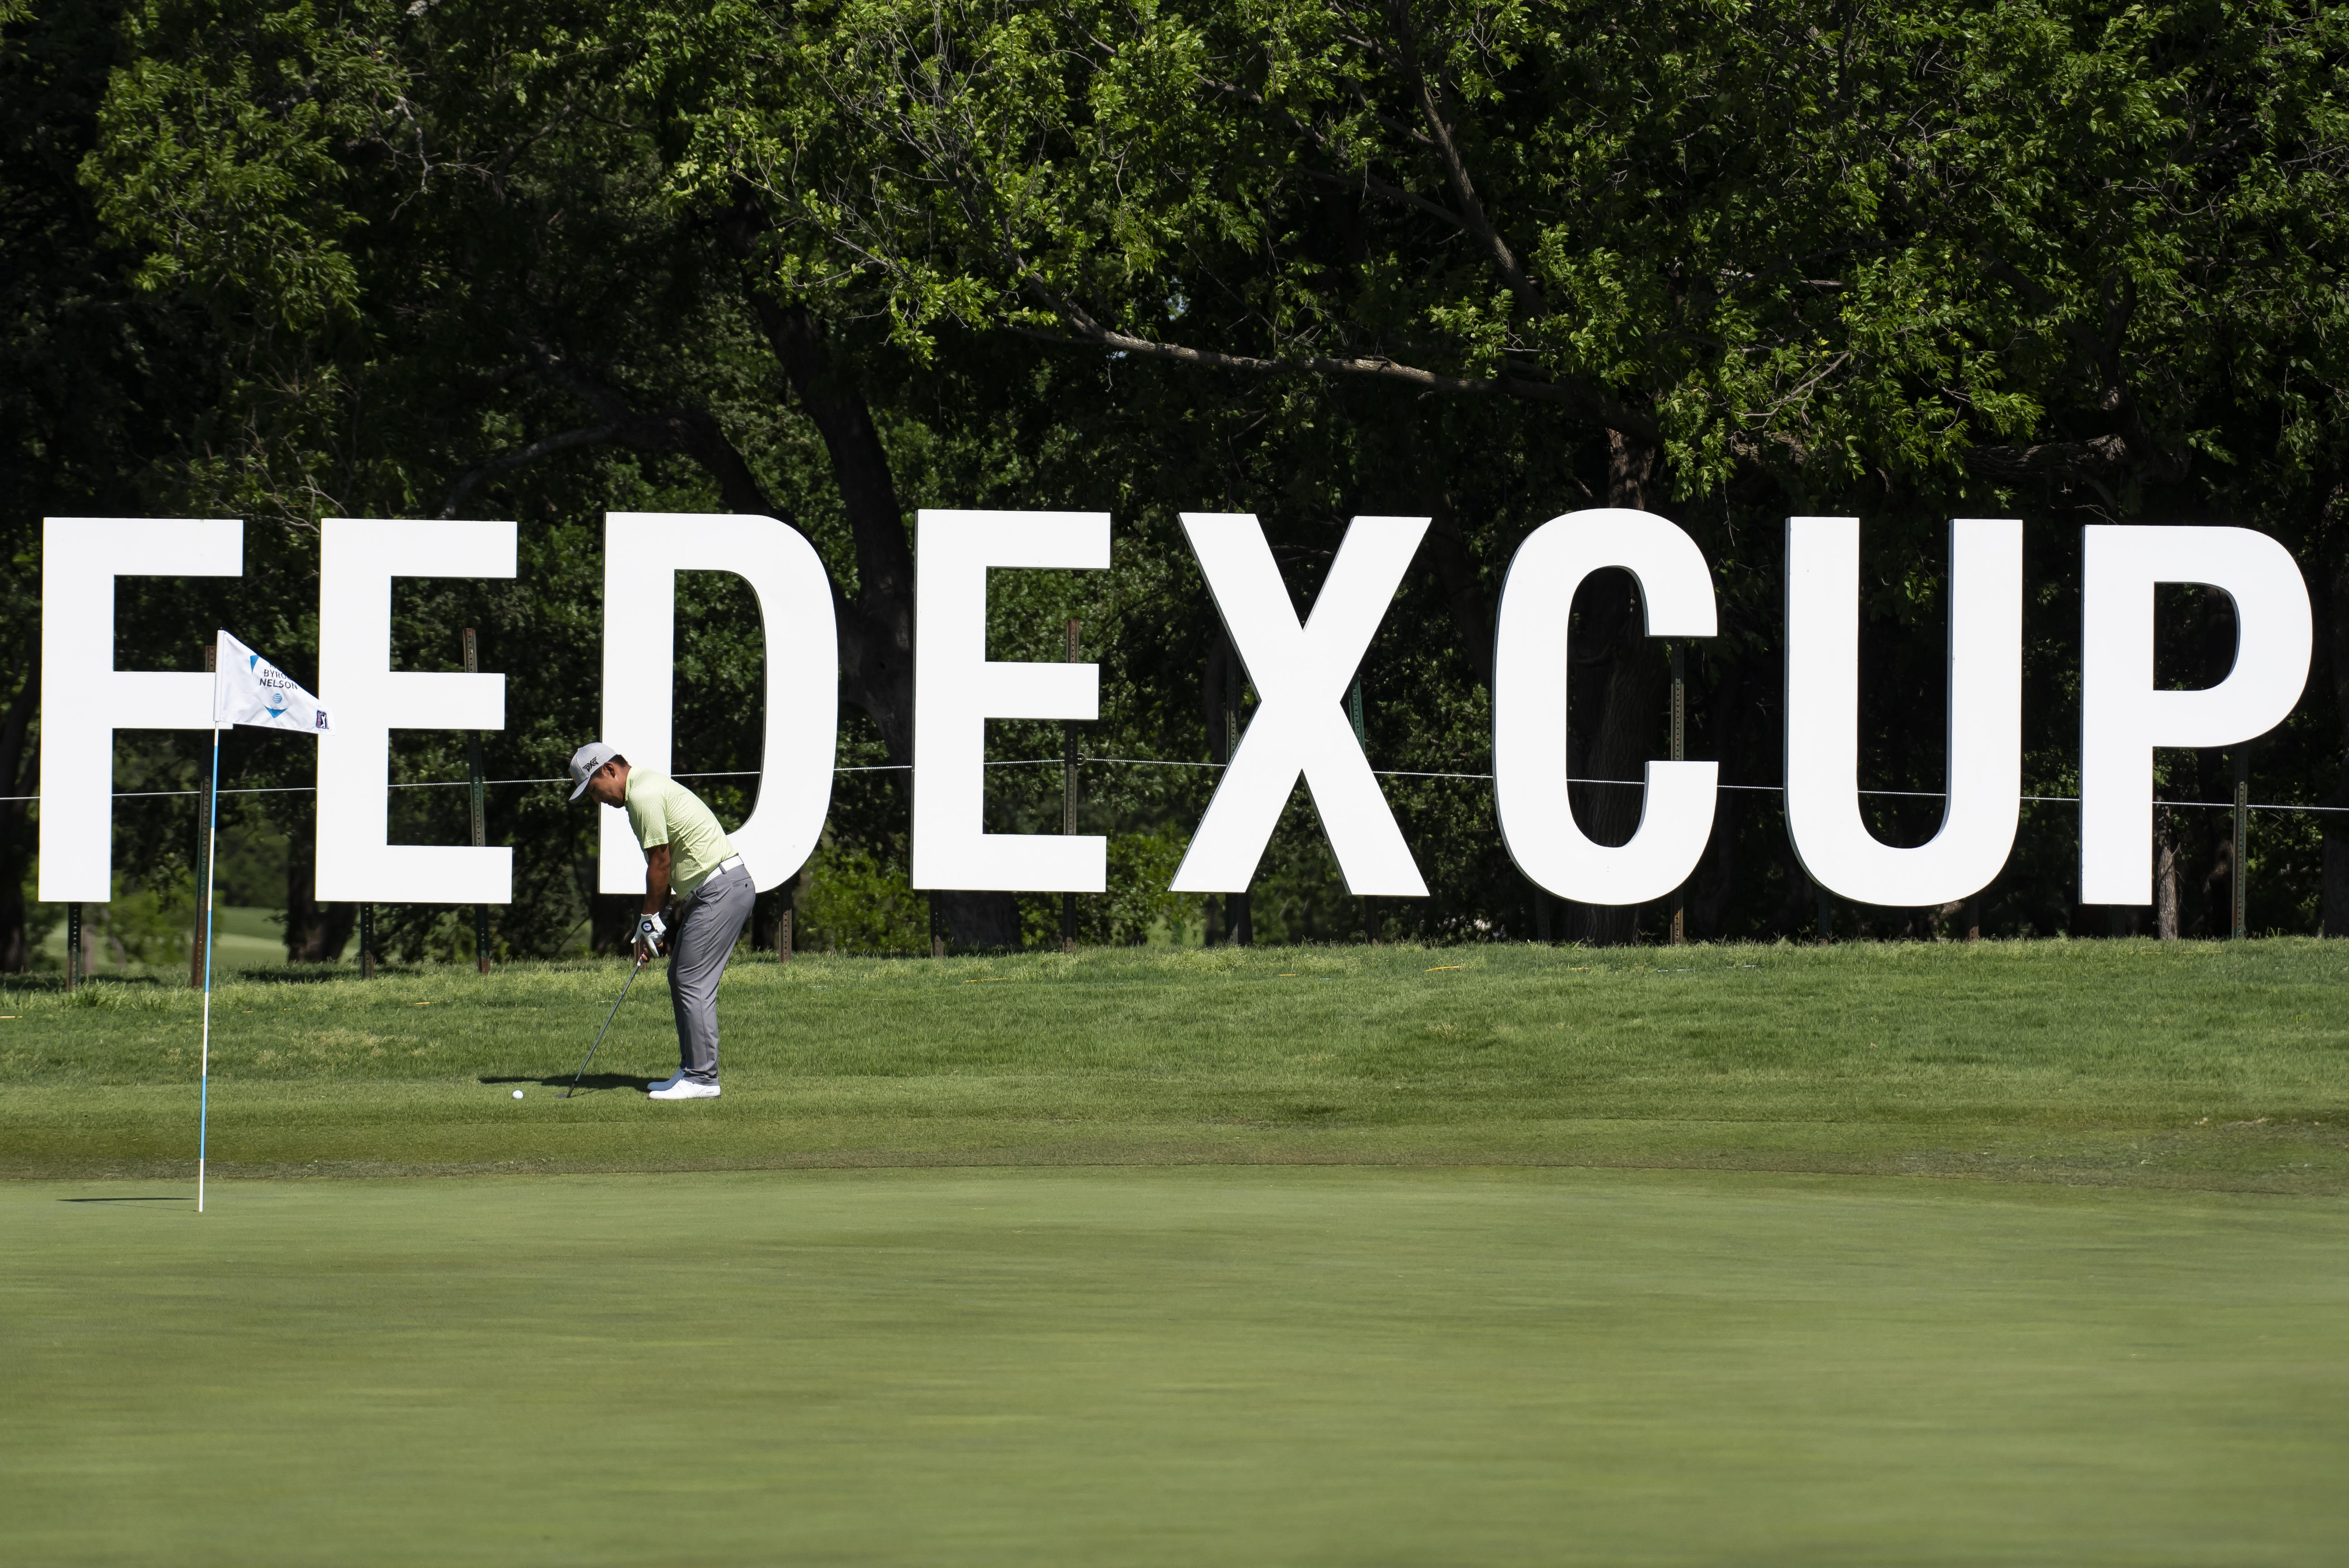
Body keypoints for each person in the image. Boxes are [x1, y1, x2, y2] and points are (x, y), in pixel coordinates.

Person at [568, 741, 753, 1100]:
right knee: (681, 976)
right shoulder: (645, 788)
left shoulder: (643, 796)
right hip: (714, 889)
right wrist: (657, 920)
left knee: (691, 979)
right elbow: (668, 870)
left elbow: (661, 864)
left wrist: (649, 919)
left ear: (609, 770)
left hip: (722, 888)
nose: (597, 800)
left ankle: (702, 1078)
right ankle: (691, 1070)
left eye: (594, 790)